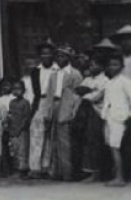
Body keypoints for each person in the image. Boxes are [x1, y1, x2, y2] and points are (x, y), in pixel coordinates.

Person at [50, 45, 83, 181]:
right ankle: (57, 171)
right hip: (55, 105)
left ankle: (68, 173)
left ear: (69, 58)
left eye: (63, 56)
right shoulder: (54, 74)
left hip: (67, 106)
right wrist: (48, 111)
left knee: (66, 141)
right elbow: (49, 94)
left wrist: (73, 111)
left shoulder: (75, 74)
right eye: (58, 56)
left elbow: (78, 94)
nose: (60, 58)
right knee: (55, 140)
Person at [28, 40, 59, 179]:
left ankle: (47, 167)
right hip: (39, 102)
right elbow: (33, 91)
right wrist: (33, 108)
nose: (46, 56)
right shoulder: (35, 71)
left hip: (54, 102)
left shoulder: (58, 70)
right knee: (36, 134)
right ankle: (35, 168)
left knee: (50, 136)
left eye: (48, 53)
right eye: (43, 53)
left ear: (53, 55)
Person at [100, 52, 131, 187]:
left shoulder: (125, 82)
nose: (112, 67)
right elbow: (106, 101)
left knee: (116, 147)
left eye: (116, 65)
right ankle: (116, 174)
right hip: (110, 118)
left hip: (120, 118)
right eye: (110, 65)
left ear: (122, 66)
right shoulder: (109, 82)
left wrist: (130, 116)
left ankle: (120, 177)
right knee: (111, 147)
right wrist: (104, 115)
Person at [76, 55, 109, 183]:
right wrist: (86, 92)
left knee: (95, 141)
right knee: (86, 140)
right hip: (85, 112)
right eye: (90, 64)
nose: (91, 66)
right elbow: (78, 90)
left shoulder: (105, 80)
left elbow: (97, 96)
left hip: (97, 112)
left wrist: (86, 94)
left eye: (94, 64)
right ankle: (87, 171)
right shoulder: (87, 79)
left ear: (101, 66)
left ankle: (97, 173)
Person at [6, 80, 32, 179]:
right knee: (14, 150)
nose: (16, 91)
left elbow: (26, 118)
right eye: (14, 89)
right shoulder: (11, 102)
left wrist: (20, 129)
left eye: (19, 89)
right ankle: (17, 169)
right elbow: (10, 116)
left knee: (23, 151)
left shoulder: (25, 103)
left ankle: (24, 171)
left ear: (24, 90)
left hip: (22, 131)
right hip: (13, 130)